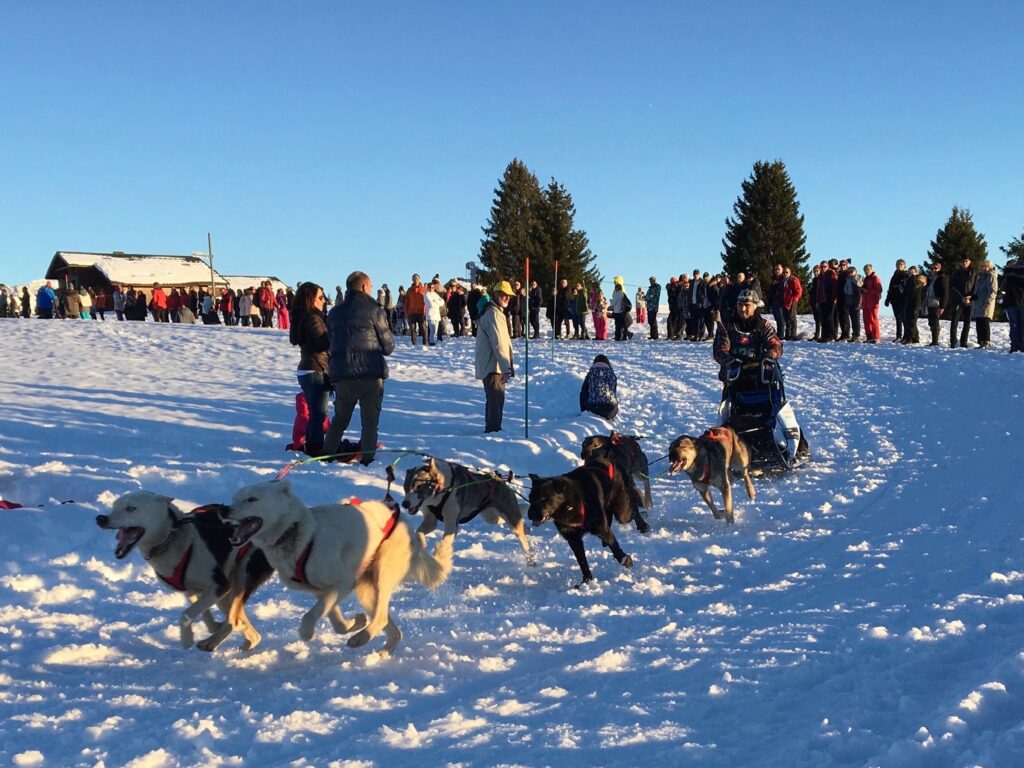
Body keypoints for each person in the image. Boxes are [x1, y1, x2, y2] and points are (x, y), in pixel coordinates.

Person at [324, 271, 395, 466]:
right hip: (370, 373)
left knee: (340, 419)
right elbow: (388, 346)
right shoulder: (375, 310)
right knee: (370, 421)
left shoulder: (334, 312)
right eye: (370, 286)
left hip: (343, 373)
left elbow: (330, 341)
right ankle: (368, 458)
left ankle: (327, 454)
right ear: (364, 287)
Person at [289, 282, 331, 456]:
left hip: (308, 369)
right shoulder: (312, 317)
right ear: (311, 298)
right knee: (318, 414)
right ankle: (315, 448)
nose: (324, 301)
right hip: (315, 369)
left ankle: (314, 445)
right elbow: (323, 343)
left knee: (316, 412)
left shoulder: (304, 317)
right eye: (321, 297)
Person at [713, 288, 782, 382]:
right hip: (735, 374)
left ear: (755, 306)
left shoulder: (764, 326)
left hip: (760, 374)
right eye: (740, 305)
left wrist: (767, 357)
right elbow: (719, 349)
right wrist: (733, 362)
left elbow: (776, 345)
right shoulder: (728, 325)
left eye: (747, 305)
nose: (742, 309)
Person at [475, 280, 514, 433]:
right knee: (495, 401)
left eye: (509, 296)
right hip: (493, 366)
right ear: (497, 294)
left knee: (494, 401)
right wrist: (506, 368)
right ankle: (493, 432)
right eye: (504, 295)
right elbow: (498, 343)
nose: (507, 298)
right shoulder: (494, 314)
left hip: (493, 365)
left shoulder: (495, 312)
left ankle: (492, 430)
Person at [579, 354, 619, 421]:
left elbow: (584, 389)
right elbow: (613, 390)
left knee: (583, 393)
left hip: (594, 409)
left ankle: (584, 412)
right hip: (611, 410)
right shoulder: (611, 374)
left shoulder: (591, 373)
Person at [948, 256, 975, 348]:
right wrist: (961, 297)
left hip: (969, 301)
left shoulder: (974, 273)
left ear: (970, 262)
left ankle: (964, 342)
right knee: (954, 322)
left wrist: (970, 297)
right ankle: (953, 342)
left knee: (967, 323)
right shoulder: (956, 273)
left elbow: (975, 286)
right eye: (963, 261)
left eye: (966, 261)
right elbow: (952, 287)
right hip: (958, 301)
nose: (965, 263)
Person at [969, 260, 996, 348]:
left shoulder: (991, 276)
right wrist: (973, 297)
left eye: (985, 266)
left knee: (985, 323)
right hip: (978, 304)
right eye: (982, 267)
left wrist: (987, 302)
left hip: (986, 303)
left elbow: (992, 291)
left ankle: (986, 341)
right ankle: (980, 341)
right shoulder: (980, 277)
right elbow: (977, 291)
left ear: (989, 267)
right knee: (979, 323)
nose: (983, 268)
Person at [999, 258, 1024, 352]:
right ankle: (1019, 346)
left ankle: (1015, 346)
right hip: (1016, 300)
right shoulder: (1010, 273)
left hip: (1011, 300)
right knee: (1020, 324)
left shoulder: (1008, 273)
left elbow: (1003, 286)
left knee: (1014, 325)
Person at [924, 262, 948, 346]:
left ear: (939, 268)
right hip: (929, 301)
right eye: (932, 268)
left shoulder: (942, 278)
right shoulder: (930, 279)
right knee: (931, 321)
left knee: (935, 321)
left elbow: (945, 293)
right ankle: (933, 340)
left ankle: (935, 340)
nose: (933, 270)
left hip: (936, 302)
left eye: (935, 268)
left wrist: (942, 306)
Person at [884, 260, 908, 342]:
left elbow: (906, 287)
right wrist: (888, 299)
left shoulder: (906, 275)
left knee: (904, 318)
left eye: (901, 264)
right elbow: (890, 288)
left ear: (904, 266)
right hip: (894, 299)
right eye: (898, 264)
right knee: (898, 318)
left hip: (902, 299)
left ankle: (906, 336)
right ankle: (898, 336)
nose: (899, 266)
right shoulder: (894, 276)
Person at [901, 266, 925, 344]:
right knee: (908, 321)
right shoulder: (908, 281)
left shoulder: (918, 280)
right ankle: (914, 338)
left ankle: (911, 338)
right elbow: (906, 292)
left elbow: (915, 289)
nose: (911, 273)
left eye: (913, 272)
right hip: (908, 302)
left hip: (915, 303)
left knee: (912, 321)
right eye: (910, 272)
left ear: (916, 272)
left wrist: (914, 278)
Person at [861, 264, 883, 343]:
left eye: (868, 270)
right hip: (865, 302)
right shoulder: (866, 279)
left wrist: (868, 291)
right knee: (866, 320)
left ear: (871, 270)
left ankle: (876, 337)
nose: (866, 272)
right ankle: (869, 337)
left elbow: (879, 290)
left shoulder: (875, 278)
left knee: (873, 319)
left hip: (873, 302)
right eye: (865, 270)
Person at [405, 273, 427, 346]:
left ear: (419, 279)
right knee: (412, 329)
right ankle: (413, 344)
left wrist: (426, 310)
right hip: (412, 312)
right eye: (414, 278)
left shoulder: (424, 289)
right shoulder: (409, 290)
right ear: (412, 280)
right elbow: (406, 302)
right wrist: (406, 312)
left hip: (421, 312)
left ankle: (425, 343)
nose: (415, 280)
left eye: (417, 278)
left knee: (423, 328)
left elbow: (427, 301)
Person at [782, 267, 802, 340]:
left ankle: (793, 334)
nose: (785, 274)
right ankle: (787, 334)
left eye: (786, 272)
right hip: (785, 302)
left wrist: (794, 299)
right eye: (784, 272)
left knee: (792, 317)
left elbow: (799, 290)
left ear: (790, 273)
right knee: (787, 318)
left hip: (792, 301)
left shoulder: (793, 280)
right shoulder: (783, 280)